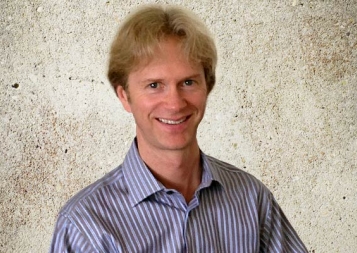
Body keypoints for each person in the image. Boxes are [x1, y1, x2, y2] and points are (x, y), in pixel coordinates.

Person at [49, 4, 308, 253]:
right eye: (154, 85)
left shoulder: (252, 199)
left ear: (207, 88)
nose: (174, 103)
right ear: (125, 97)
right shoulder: (84, 225)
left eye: (187, 82)